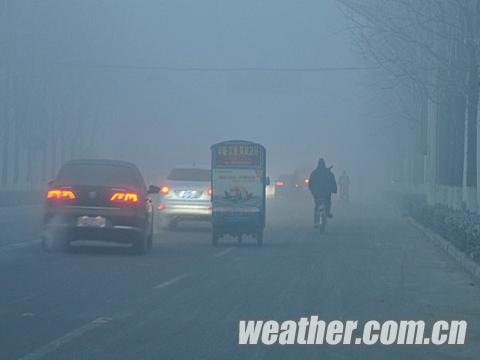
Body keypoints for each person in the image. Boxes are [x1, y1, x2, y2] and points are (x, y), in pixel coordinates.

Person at [308, 158, 337, 226]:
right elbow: (332, 182)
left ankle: (317, 220)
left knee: (318, 205)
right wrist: (334, 189)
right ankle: (327, 213)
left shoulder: (315, 173)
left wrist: (313, 191)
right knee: (325, 203)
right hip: (324, 193)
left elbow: (310, 184)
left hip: (318, 193)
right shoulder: (328, 173)